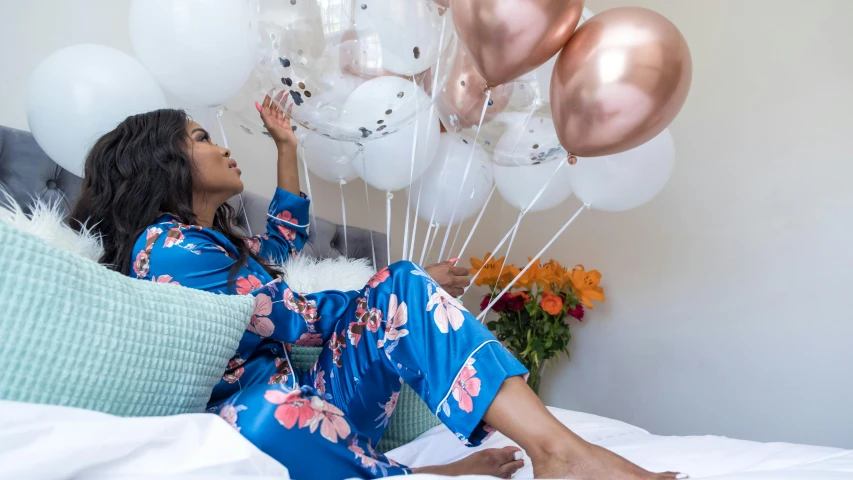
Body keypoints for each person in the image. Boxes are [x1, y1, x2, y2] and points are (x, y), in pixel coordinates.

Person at [71, 94, 682, 480]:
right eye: (201, 137)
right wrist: (389, 293)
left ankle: (560, 454)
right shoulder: (168, 248)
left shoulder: (225, 247)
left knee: (400, 285)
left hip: (323, 410)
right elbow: (298, 318)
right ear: (161, 163)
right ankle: (425, 473)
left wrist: (286, 145)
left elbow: (284, 236)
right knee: (264, 411)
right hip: (277, 425)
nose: (222, 145)